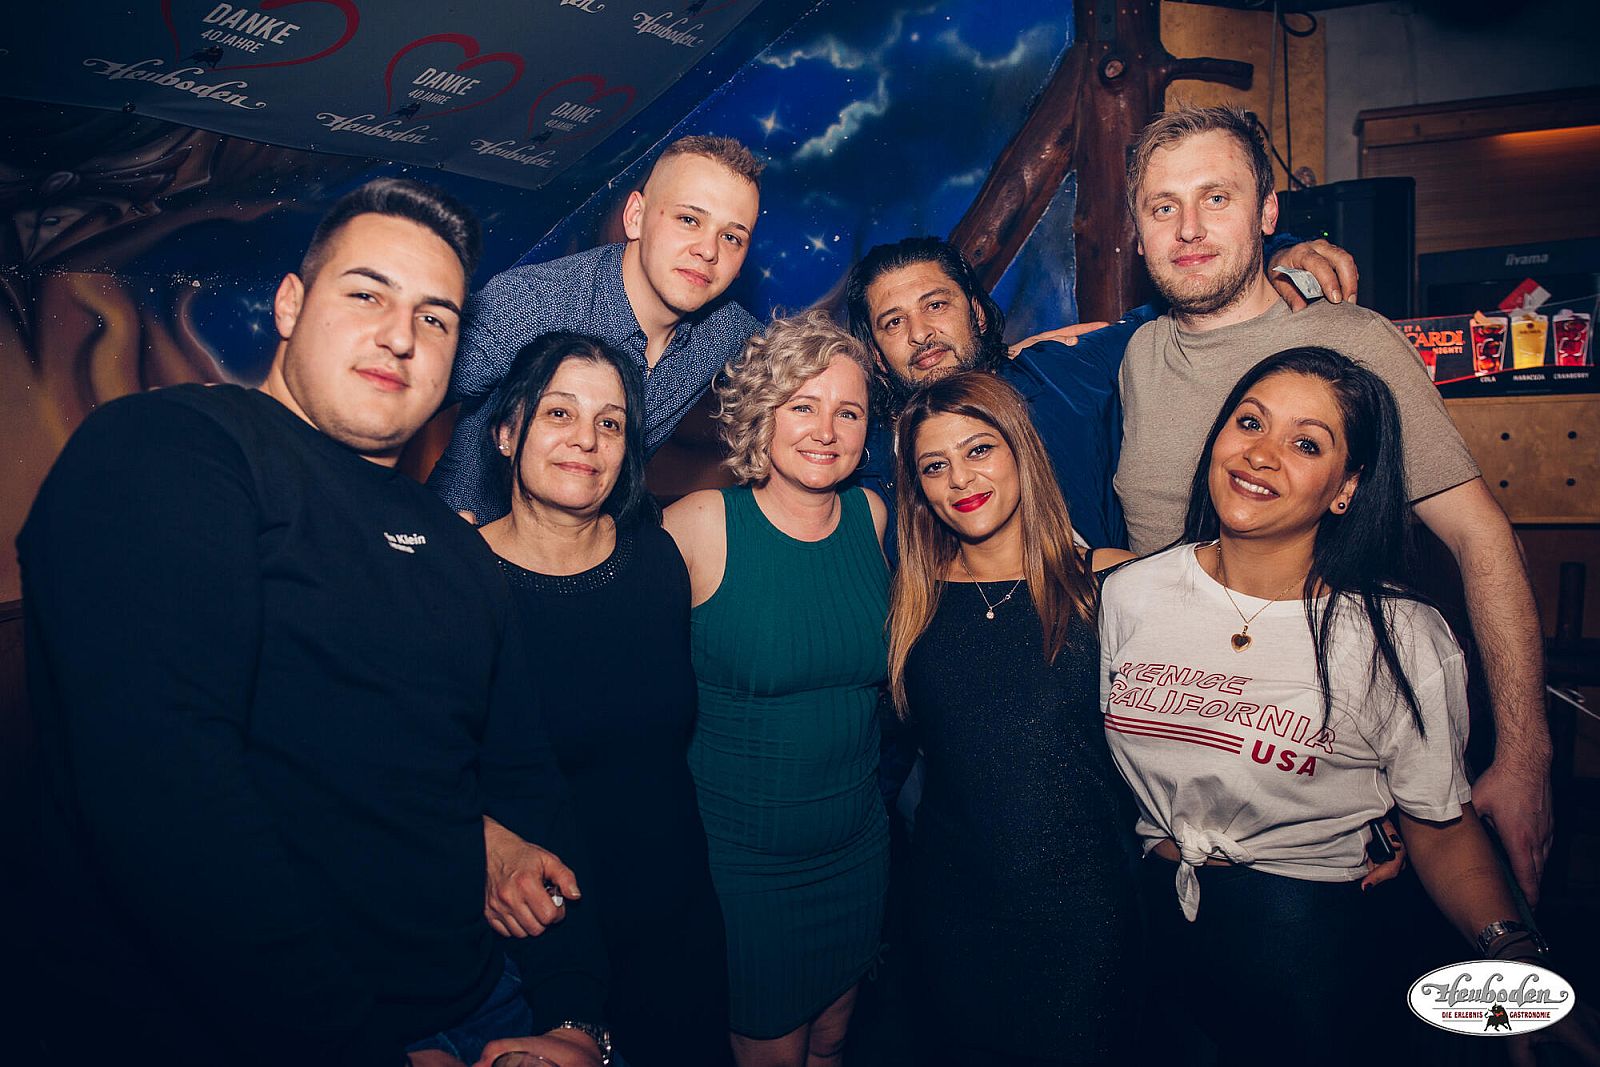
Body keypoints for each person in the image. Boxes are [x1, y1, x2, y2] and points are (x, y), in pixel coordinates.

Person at [18, 179, 608, 1067]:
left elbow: (525, 783)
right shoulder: (172, 450)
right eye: (367, 294)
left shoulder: (454, 544)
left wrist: (575, 1020)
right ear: (291, 304)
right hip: (268, 1029)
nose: (401, 335)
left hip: (486, 1001)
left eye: (436, 317)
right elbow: (166, 803)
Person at [1115, 104, 1551, 903]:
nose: (1189, 228)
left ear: (1267, 215)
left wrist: (1524, 757)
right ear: (1137, 235)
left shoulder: (1354, 342)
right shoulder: (1139, 355)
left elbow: (1480, 534)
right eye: (1162, 206)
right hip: (1174, 804)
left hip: (1319, 810)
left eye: (1217, 197)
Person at [1100, 347, 1554, 1063]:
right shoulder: (1131, 595)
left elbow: (1439, 827)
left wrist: (1512, 956)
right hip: (1152, 943)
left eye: (1306, 443)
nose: (1261, 454)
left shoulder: (1397, 636)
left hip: (1310, 954)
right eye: (1251, 422)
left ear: (1346, 489)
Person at [471, 331, 731, 1067]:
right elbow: (392, 761)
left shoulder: (657, 558)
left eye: (610, 422)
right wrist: (478, 837)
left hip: (677, 926)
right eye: (559, 413)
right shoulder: (457, 580)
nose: (585, 439)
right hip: (534, 944)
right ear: (506, 432)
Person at [886, 372, 1138, 1065]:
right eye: (934, 466)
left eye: (979, 450)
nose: (959, 479)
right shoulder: (913, 602)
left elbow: (1212, 713)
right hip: (951, 912)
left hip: (1087, 913)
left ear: (1020, 450)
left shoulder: (1109, 583)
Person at [663, 310, 891, 1067]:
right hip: (745, 872)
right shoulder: (700, 524)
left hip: (857, 853)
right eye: (803, 405)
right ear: (761, 414)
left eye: (848, 411)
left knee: (832, 1045)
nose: (826, 430)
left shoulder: (871, 518)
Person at [843, 230, 1358, 551]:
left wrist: (1277, 252)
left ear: (976, 313)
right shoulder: (870, 460)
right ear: (878, 356)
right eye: (893, 322)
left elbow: (1187, 304)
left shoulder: (1065, 373)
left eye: (936, 305)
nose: (920, 334)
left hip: (1109, 643)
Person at [429, 134, 764, 524]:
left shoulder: (725, 332)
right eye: (689, 220)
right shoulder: (533, 302)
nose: (708, 250)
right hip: (455, 545)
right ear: (635, 216)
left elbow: (809, 370)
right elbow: (392, 398)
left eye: (731, 237)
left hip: (584, 551)